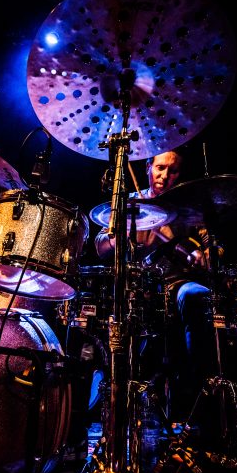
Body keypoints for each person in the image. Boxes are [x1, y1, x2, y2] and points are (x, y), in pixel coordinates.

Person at [93, 149, 217, 421]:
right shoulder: (130, 203)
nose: (165, 175)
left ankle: (199, 391)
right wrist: (117, 235)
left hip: (179, 283)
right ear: (148, 167)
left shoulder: (187, 207)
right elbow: (99, 247)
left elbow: (213, 247)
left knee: (196, 295)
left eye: (173, 171)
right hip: (138, 288)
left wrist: (205, 255)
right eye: (160, 168)